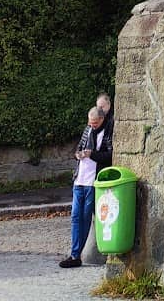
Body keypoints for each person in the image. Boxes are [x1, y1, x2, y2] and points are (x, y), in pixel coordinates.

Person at [59, 106, 105, 268]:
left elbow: (108, 155)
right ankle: (74, 254)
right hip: (80, 180)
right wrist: (79, 154)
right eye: (90, 122)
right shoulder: (87, 130)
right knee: (75, 217)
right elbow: (78, 148)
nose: (91, 125)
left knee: (86, 218)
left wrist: (92, 154)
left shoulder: (105, 133)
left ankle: (77, 254)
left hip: (92, 182)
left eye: (94, 123)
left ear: (101, 120)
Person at [95, 92, 115, 166]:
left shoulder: (113, 118)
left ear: (109, 104)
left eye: (102, 107)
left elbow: (108, 141)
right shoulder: (98, 117)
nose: (100, 110)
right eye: (98, 107)